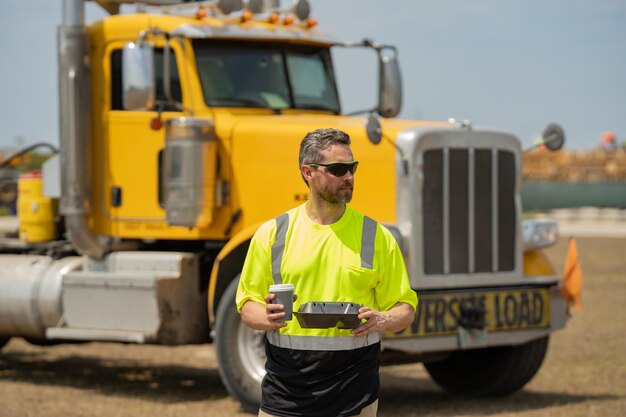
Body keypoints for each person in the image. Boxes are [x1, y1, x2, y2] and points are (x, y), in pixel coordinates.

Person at [236, 128, 418, 417]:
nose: (349, 177)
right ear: (308, 172)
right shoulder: (272, 234)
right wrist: (266, 317)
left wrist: (384, 319)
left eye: (352, 168)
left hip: (355, 391)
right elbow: (247, 305)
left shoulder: (377, 236)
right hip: (287, 391)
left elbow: (405, 307)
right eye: (338, 169)